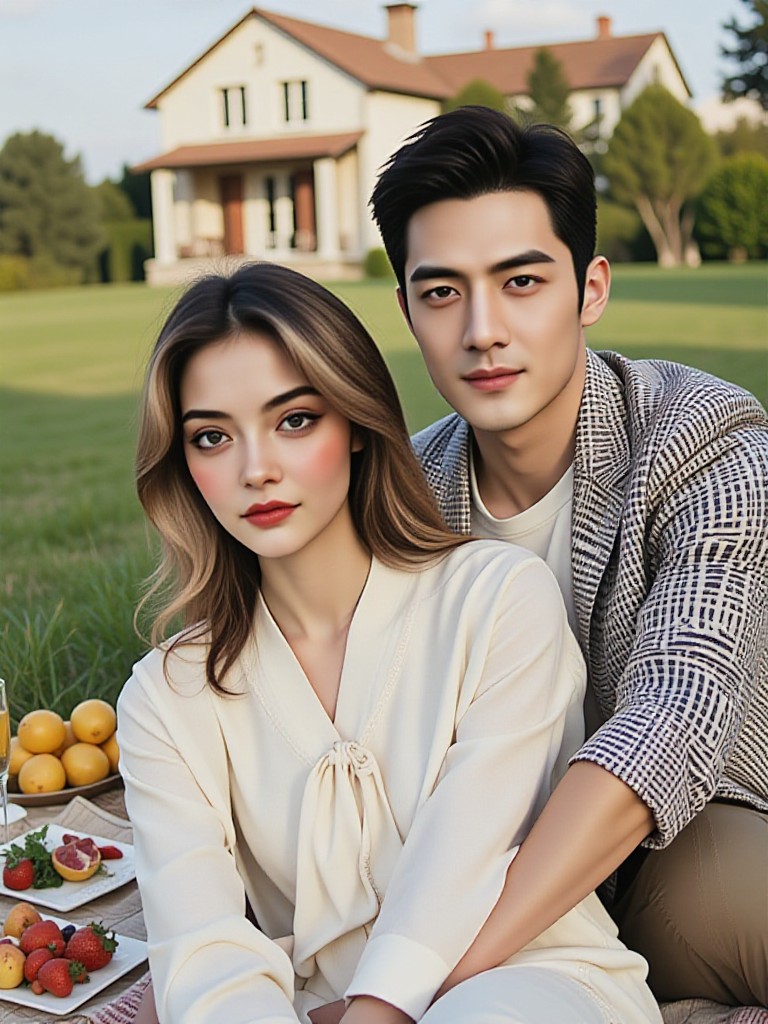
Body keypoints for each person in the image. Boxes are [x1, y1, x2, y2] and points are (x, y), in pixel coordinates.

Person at [118, 262, 661, 1024]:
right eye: (212, 436)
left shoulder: (496, 600)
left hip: (531, 981)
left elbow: (461, 856)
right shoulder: (165, 699)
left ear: (358, 424)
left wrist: (373, 1013)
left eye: (295, 420)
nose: (257, 469)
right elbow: (206, 955)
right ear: (184, 466)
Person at [369, 105, 768, 1009]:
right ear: (407, 310)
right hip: (468, 867)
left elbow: (675, 716)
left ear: (589, 290)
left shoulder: (709, 441)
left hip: (685, 847)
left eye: (520, 282)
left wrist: (423, 981)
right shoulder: (404, 497)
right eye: (442, 292)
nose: (481, 329)